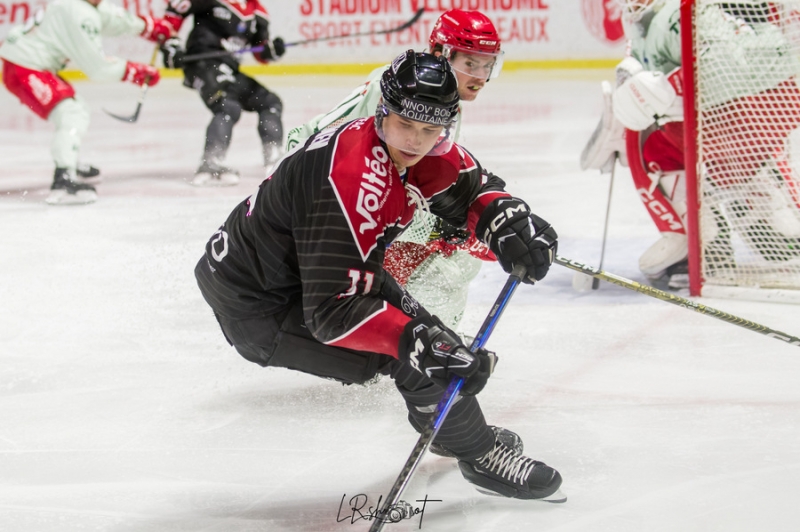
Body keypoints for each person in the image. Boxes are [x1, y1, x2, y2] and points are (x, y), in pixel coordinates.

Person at [195, 50, 564, 502]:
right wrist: (416, 344)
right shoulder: (351, 178)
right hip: (260, 303)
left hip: (291, 269)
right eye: (406, 125)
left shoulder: (406, 140)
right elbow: (332, 311)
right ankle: (482, 456)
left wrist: (505, 219)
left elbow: (468, 187)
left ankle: (455, 435)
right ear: (382, 111)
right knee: (418, 351)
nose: (415, 140)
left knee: (433, 339)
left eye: (429, 130)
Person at [285, 9, 504, 332]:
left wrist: (444, 223)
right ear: (439, 53)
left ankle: (430, 337)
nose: (481, 76)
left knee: (456, 256)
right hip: (338, 217)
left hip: (375, 214)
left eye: (488, 64)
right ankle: (418, 341)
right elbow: (307, 140)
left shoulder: (446, 105)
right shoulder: (391, 89)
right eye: (470, 63)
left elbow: (409, 180)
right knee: (449, 262)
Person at [582, 0, 800, 288]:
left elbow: (720, 73)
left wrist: (665, 93)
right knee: (739, 145)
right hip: (780, 103)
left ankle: (700, 242)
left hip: (736, 112)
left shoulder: (668, 18)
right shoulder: (674, 15)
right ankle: (768, 218)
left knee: (651, 146)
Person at [0, 0, 171, 205]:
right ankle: (63, 177)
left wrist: (147, 27)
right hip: (25, 67)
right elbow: (98, 68)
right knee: (72, 113)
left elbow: (112, 19)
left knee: (74, 110)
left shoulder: (81, 6)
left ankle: (69, 164)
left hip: (24, 62)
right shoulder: (80, 13)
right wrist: (134, 71)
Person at [159, 0, 286, 187]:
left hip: (230, 70)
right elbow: (173, 16)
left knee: (270, 102)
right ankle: (211, 162)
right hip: (203, 64)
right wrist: (171, 45)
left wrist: (271, 50)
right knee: (228, 106)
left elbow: (260, 51)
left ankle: (274, 157)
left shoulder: (257, 11)